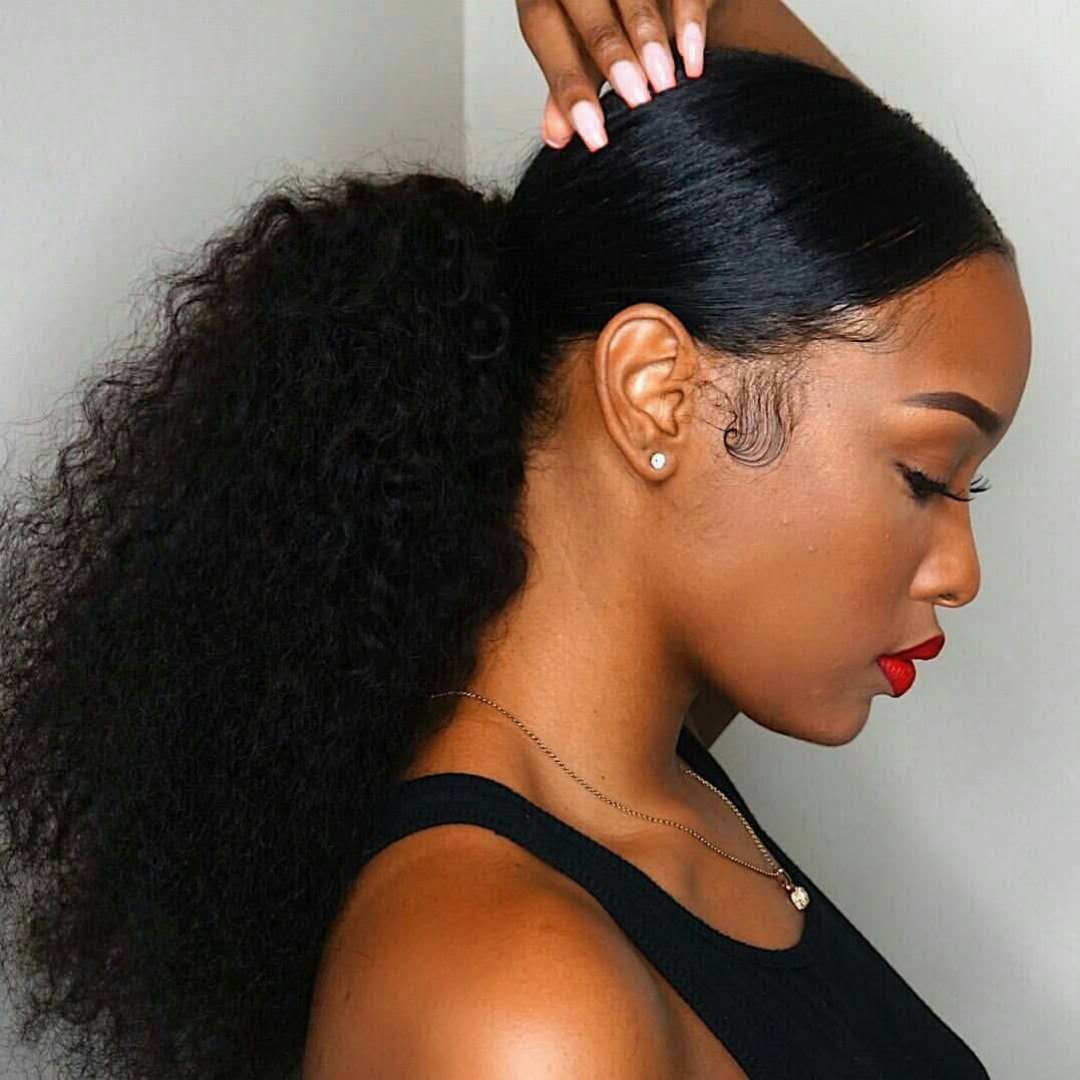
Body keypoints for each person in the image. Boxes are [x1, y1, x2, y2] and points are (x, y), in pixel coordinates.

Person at [0, 3, 1030, 1079]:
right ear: (657, 394)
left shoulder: (635, 772)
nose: (961, 572)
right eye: (926, 476)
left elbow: (891, 256)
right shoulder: (525, 1008)